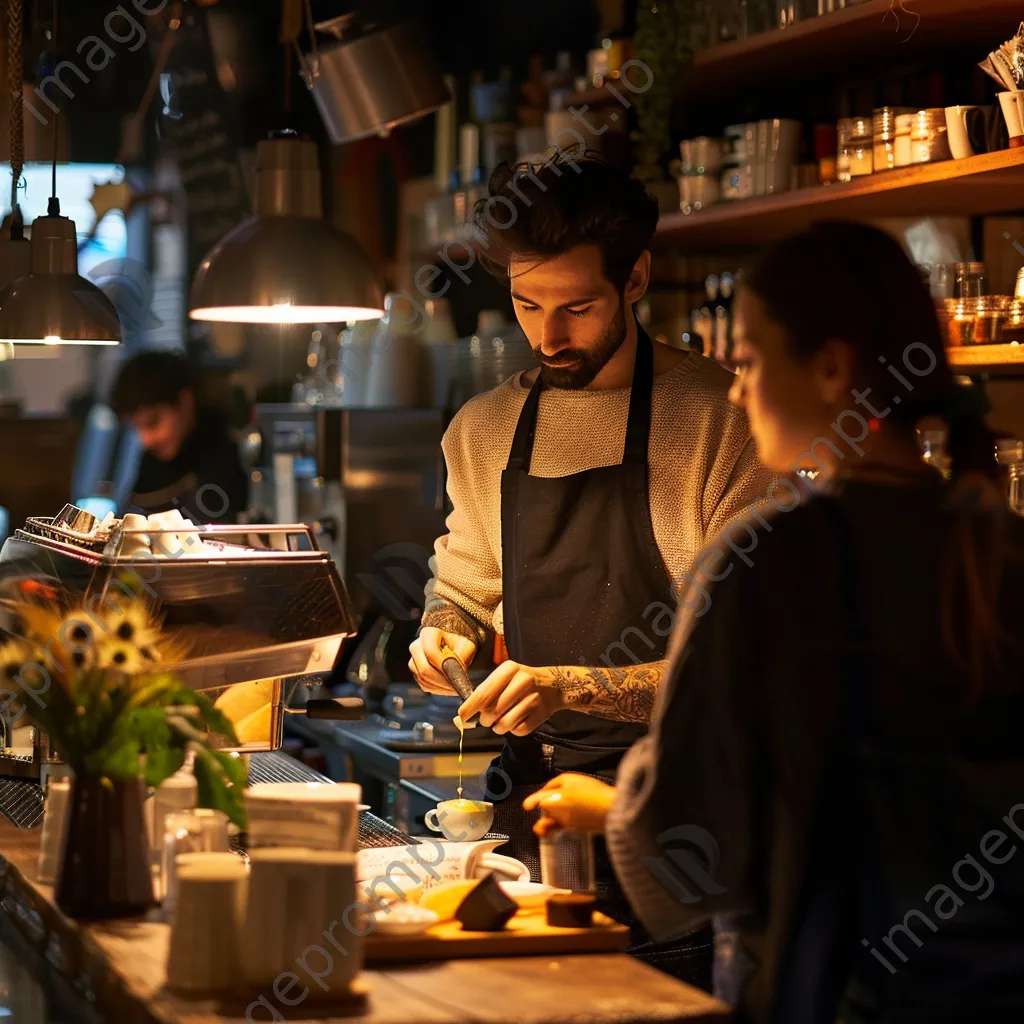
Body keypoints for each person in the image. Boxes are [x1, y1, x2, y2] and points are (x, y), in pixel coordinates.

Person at [523, 221, 1024, 1023]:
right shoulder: (996, 543)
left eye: (750, 360)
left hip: (823, 990)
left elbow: (693, 840)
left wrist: (605, 806)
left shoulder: (765, 556)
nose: (734, 388)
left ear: (830, 369)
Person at [408, 153, 775, 985]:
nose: (549, 336)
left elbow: (736, 667)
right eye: (526, 305)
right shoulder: (483, 428)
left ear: (635, 277)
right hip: (533, 812)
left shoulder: (722, 422)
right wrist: (443, 633)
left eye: (576, 306)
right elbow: (463, 582)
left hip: (669, 818)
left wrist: (568, 685)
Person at [110, 349, 248, 524]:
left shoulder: (225, 454)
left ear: (185, 402)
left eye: (153, 423)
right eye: (136, 427)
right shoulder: (152, 463)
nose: (145, 439)